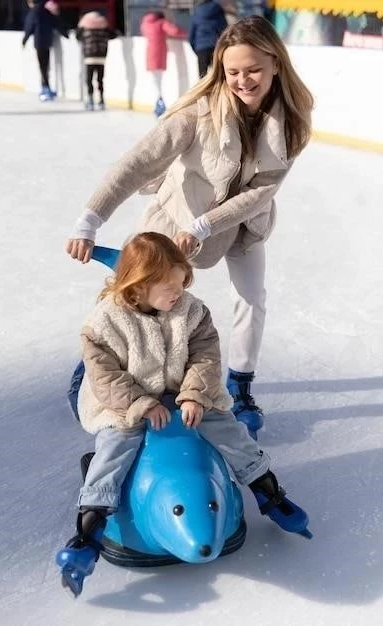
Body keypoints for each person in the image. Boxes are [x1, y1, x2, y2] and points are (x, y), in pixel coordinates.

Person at [65, 16, 314, 439]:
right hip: (176, 215)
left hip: (243, 225)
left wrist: (205, 225)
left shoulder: (291, 119)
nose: (243, 80)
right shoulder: (198, 113)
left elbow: (261, 191)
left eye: (253, 69)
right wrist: (91, 217)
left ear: (275, 62)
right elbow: (138, 162)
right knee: (140, 294)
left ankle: (242, 385)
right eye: (232, 71)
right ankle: (99, 367)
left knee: (252, 299)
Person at [56, 232, 309, 597]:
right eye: (168, 286)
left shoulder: (191, 311)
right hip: (125, 402)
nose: (178, 292)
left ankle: (268, 492)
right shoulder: (104, 324)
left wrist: (193, 395)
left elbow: (206, 355)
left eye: (181, 282)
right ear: (137, 288)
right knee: (114, 447)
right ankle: (89, 531)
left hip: (182, 395)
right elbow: (104, 376)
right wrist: (140, 404)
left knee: (229, 429)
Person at [140, 10, 187, 116]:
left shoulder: (145, 24)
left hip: (149, 54)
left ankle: (158, 103)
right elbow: (174, 31)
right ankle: (160, 103)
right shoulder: (161, 23)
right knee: (160, 80)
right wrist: (186, 32)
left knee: (155, 80)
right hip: (159, 53)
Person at [22, 0, 68, 102]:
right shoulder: (46, 11)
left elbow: (29, 26)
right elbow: (56, 23)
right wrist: (66, 34)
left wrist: (24, 40)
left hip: (39, 42)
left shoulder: (34, 12)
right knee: (46, 65)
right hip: (47, 41)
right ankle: (46, 87)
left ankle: (45, 88)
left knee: (42, 66)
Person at [76, 11, 118, 111]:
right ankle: (101, 100)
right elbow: (113, 35)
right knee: (100, 79)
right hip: (101, 56)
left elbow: (78, 36)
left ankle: (90, 99)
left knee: (89, 79)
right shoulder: (103, 25)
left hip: (89, 56)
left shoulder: (84, 25)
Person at [189, 0, 228, 78]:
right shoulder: (217, 8)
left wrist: (196, 49)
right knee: (219, 74)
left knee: (203, 76)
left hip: (201, 47)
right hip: (215, 45)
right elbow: (224, 29)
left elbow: (191, 35)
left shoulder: (196, 11)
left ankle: (205, 90)